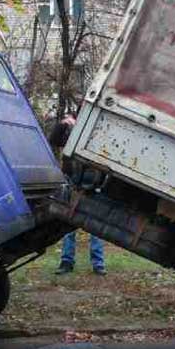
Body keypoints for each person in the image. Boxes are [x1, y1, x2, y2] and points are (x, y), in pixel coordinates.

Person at [48, 112, 106, 275]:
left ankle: (98, 264)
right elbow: (53, 140)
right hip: (72, 180)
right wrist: (63, 124)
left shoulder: (98, 129)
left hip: (91, 182)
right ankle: (67, 262)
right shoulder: (70, 127)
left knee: (95, 226)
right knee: (68, 223)